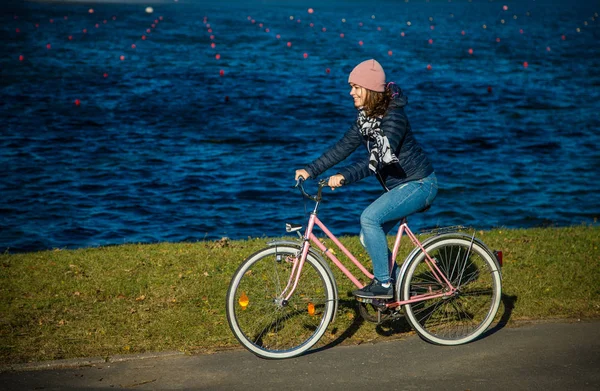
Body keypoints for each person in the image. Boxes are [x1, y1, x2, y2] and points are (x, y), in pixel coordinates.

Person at [294, 59, 438, 300]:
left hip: (419, 184)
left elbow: (379, 158)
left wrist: (344, 176)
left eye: (355, 87)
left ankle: (383, 284)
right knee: (366, 235)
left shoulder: (394, 118)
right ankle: (400, 282)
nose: (351, 92)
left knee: (369, 218)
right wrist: (311, 170)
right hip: (401, 186)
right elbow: (343, 147)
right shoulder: (366, 118)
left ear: (370, 89)